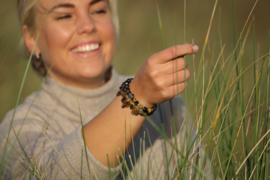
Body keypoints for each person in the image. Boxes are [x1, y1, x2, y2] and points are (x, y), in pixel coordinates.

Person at [0, 0, 213, 179]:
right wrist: (136, 97)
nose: (88, 25)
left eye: (98, 10)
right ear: (31, 38)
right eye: (64, 16)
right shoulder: (18, 127)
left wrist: (145, 95)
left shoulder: (166, 103)